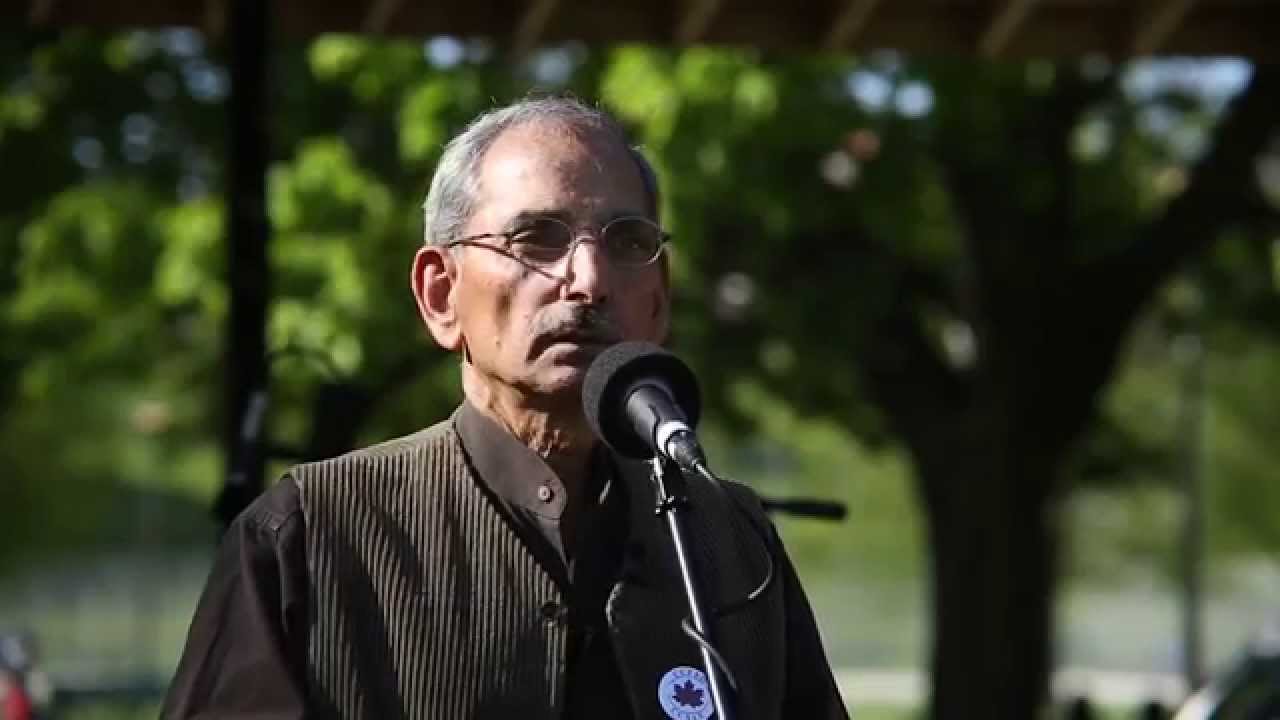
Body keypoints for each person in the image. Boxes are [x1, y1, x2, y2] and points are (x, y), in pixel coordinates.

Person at [162, 96, 848, 720]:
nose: (587, 280)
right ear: (441, 294)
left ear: (659, 300)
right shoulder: (309, 536)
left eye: (627, 243)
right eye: (537, 237)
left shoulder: (730, 540)